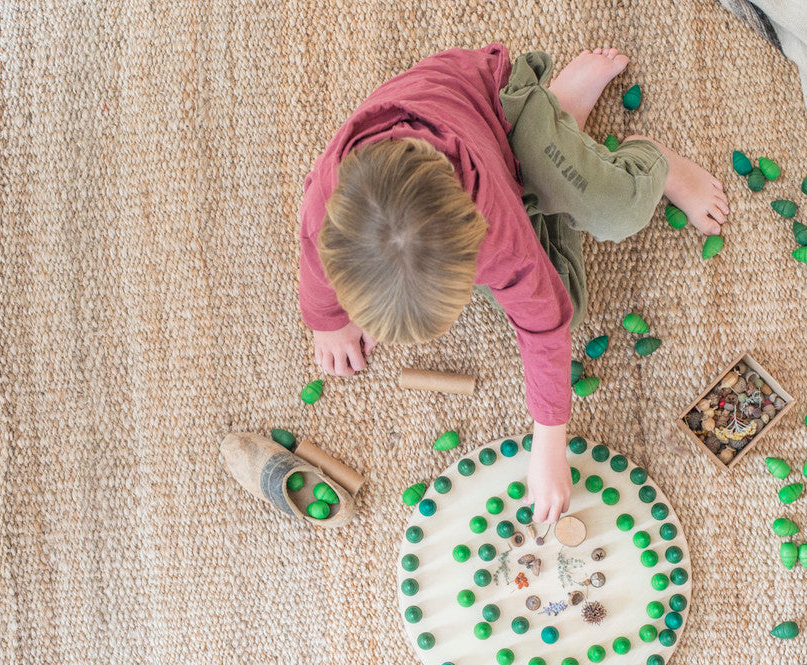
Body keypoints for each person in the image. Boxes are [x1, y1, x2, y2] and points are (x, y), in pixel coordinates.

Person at [298, 43, 729, 523]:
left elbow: (545, 324)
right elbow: (315, 265)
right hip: (464, 156)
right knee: (562, 286)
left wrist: (549, 444)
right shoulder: (325, 206)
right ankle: (562, 128)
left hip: (501, 110)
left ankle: (631, 151)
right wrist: (329, 321)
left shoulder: (496, 227)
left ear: (474, 243)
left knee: (614, 213)